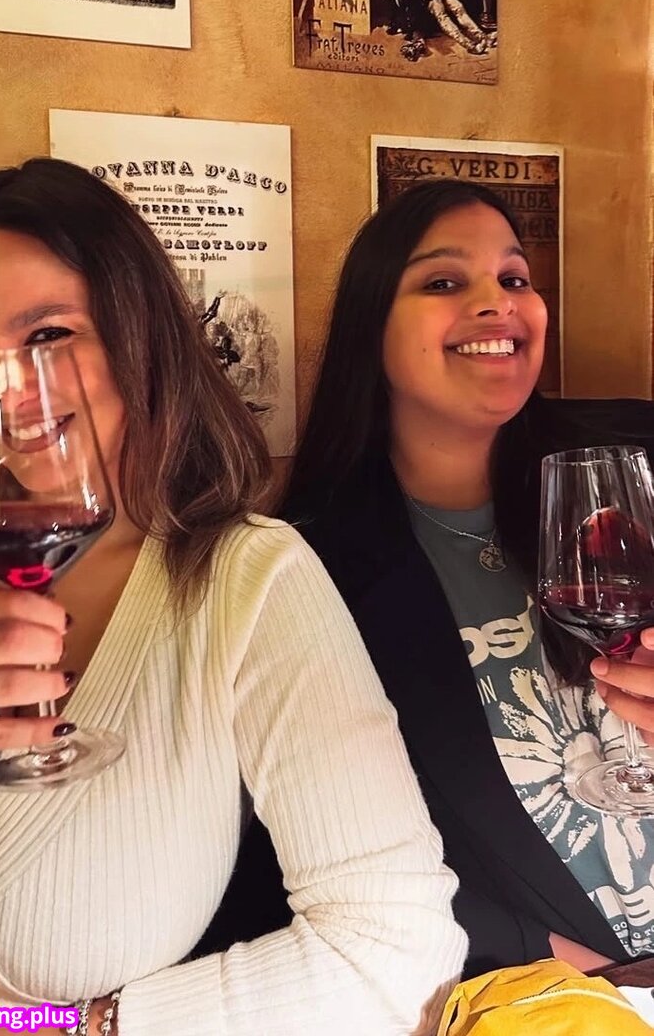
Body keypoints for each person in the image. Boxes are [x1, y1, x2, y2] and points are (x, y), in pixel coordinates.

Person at [0, 159, 466, 1034]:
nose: (8, 393)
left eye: (49, 335)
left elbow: (397, 948)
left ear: (139, 337)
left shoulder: (250, 584)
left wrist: (88, 1029)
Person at [204, 178, 654, 979]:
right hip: (561, 993)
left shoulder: (633, 464)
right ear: (370, 327)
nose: (497, 303)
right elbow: (316, 850)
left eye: (514, 278)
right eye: (444, 282)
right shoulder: (304, 567)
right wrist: (592, 984)